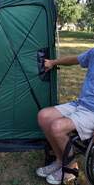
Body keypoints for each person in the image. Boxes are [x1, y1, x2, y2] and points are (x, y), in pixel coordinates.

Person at [36, 48, 94, 185]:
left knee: (57, 127)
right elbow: (76, 59)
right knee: (44, 116)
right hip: (81, 104)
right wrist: (52, 62)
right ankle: (60, 160)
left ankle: (70, 168)